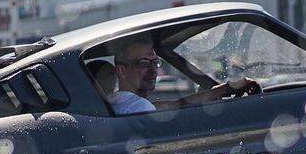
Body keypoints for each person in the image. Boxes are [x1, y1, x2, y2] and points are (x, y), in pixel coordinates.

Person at [109, 35, 260, 115]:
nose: (153, 69)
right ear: (122, 71)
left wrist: (222, 90)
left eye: (155, 62)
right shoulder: (138, 107)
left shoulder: (118, 102)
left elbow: (175, 105)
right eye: (143, 63)